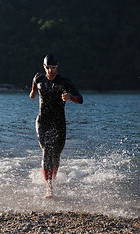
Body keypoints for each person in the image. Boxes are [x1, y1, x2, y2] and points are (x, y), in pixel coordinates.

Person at [29, 54, 83, 198]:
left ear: (57, 67)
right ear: (44, 67)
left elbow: (80, 99)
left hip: (59, 122)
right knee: (46, 150)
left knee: (56, 153)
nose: (50, 71)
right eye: (48, 68)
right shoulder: (39, 78)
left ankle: (53, 179)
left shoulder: (64, 82)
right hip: (42, 121)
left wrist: (70, 98)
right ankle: (49, 187)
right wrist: (33, 92)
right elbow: (34, 83)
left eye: (53, 68)